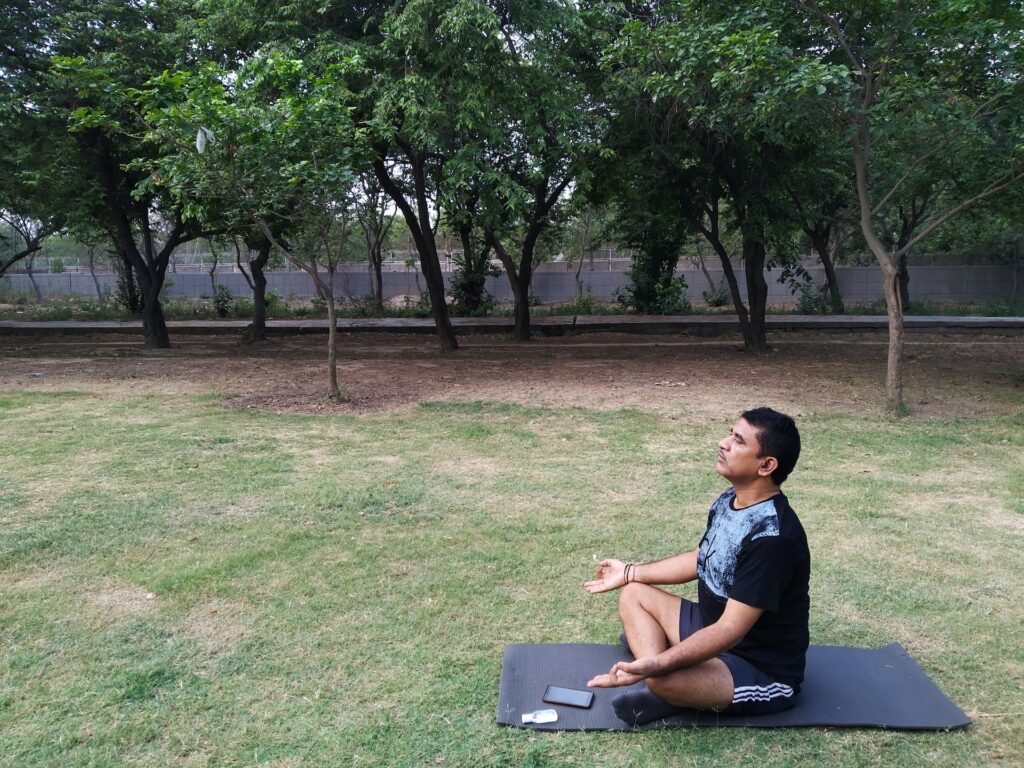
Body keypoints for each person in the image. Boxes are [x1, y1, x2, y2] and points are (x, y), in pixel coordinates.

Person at [584, 407, 809, 725]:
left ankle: (663, 684)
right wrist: (630, 572)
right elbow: (703, 557)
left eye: (738, 441)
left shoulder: (773, 538)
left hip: (757, 665)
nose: (723, 443)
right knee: (633, 594)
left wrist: (660, 663)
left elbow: (730, 631)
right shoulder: (731, 499)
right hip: (709, 625)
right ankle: (665, 676)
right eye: (730, 434)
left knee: (662, 676)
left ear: (766, 465)